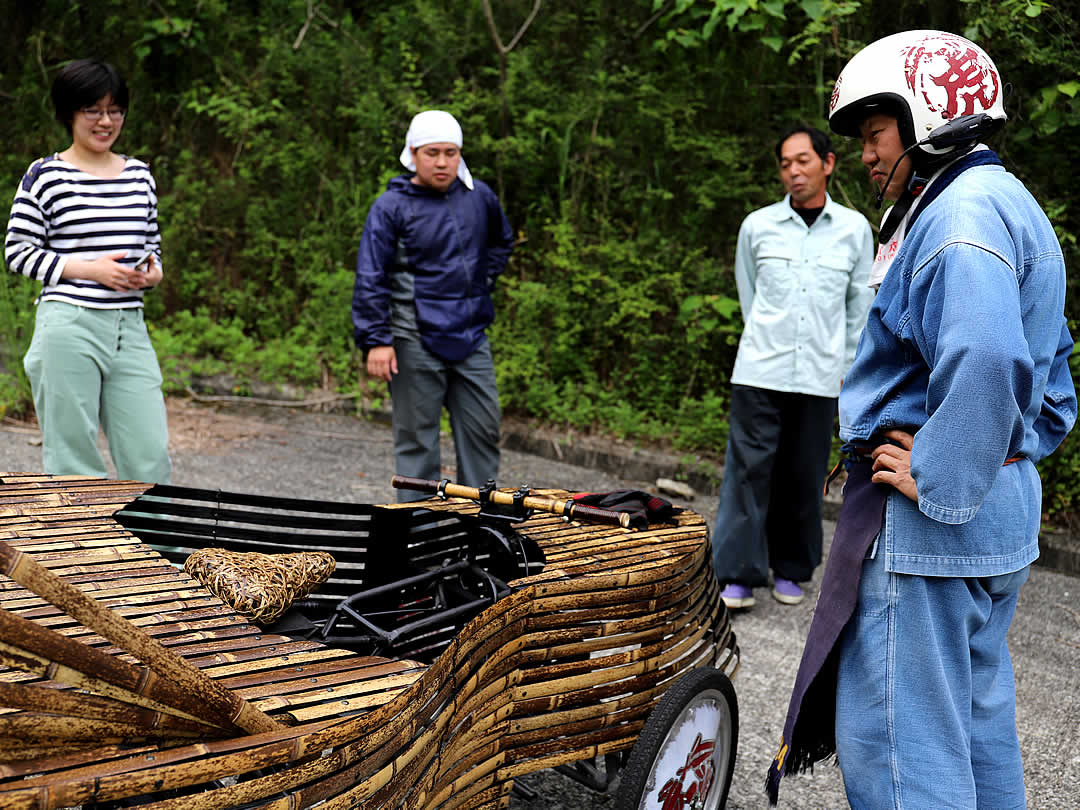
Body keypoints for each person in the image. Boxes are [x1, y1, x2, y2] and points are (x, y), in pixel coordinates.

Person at [766, 30, 1076, 808]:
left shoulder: (958, 218)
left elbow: (986, 354)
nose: (868, 155)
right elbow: (1054, 389)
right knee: (976, 735)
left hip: (934, 529)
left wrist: (938, 472)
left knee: (904, 754)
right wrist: (1003, 459)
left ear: (929, 116)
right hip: (995, 516)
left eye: (875, 134)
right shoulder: (1009, 202)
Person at [712, 124, 874, 609]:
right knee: (747, 473)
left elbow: (858, 307)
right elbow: (750, 297)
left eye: (802, 160)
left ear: (827, 163)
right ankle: (738, 574)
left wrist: (848, 365)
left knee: (803, 474)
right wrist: (768, 341)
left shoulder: (854, 230)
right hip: (761, 369)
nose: (793, 171)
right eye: (785, 163)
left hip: (821, 374)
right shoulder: (758, 226)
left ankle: (791, 568)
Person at [4, 58, 171, 484]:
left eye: (115, 110)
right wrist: (91, 270)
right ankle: (84, 549)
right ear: (69, 113)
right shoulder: (45, 175)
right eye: (93, 110)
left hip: (129, 328)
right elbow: (18, 252)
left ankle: (157, 550)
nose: (106, 121)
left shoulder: (139, 175)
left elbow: (151, 248)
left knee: (149, 457)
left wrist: (152, 274)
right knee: (74, 461)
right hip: (68, 326)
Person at [352, 110, 513, 501]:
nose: (442, 162)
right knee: (417, 445)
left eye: (451, 152)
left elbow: (501, 241)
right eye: (432, 153)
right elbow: (371, 275)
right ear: (413, 153)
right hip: (413, 339)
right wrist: (377, 339)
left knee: (482, 434)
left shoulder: (480, 197)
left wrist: (480, 283)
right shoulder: (391, 207)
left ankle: (480, 530)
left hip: (471, 336)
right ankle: (418, 535)